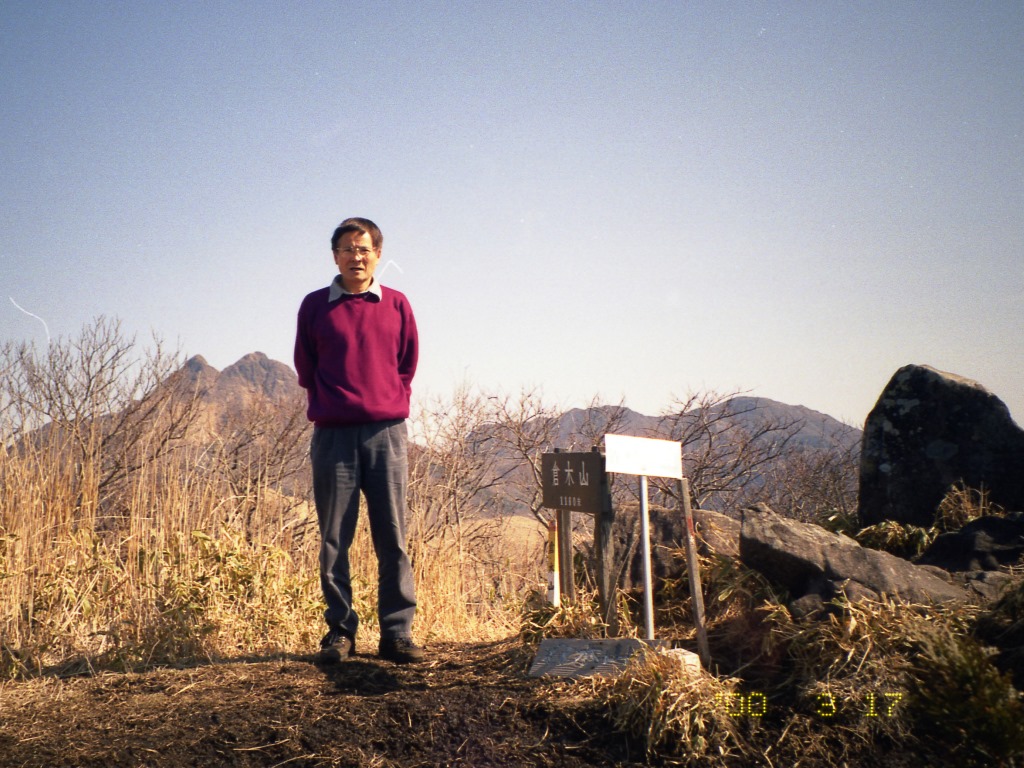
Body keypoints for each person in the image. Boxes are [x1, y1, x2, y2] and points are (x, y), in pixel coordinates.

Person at [294, 216, 423, 664]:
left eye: (364, 248)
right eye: (347, 249)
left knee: (393, 535)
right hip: (333, 435)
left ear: (378, 255)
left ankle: (397, 634)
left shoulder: (397, 304)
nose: (356, 256)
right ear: (335, 256)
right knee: (334, 538)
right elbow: (306, 367)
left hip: (386, 434)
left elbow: (407, 363)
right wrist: (336, 403)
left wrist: (386, 400)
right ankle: (340, 632)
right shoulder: (315, 306)